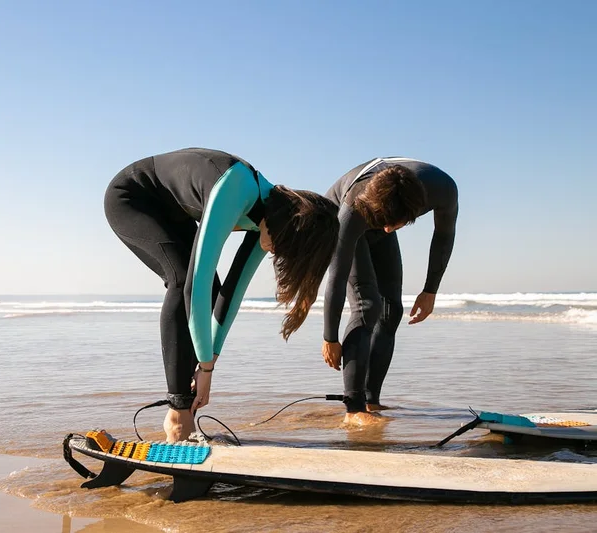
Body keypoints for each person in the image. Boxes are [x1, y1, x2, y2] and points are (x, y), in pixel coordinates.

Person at [105, 148, 340, 442]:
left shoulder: (270, 219)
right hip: (133, 197)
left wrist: (210, 363)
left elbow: (232, 292)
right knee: (181, 280)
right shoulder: (234, 187)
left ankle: (183, 411)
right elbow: (195, 286)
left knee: (210, 289)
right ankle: (178, 416)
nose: (279, 252)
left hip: (173, 209)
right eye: (287, 246)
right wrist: (203, 366)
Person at [322, 157, 459, 426]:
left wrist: (430, 290)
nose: (386, 230)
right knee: (367, 305)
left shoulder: (443, 189)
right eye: (385, 223)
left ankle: (372, 399)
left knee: (391, 310)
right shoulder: (354, 206)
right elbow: (336, 277)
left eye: (393, 225)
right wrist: (330, 337)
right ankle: (354, 408)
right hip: (343, 215)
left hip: (382, 208)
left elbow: (444, 235)